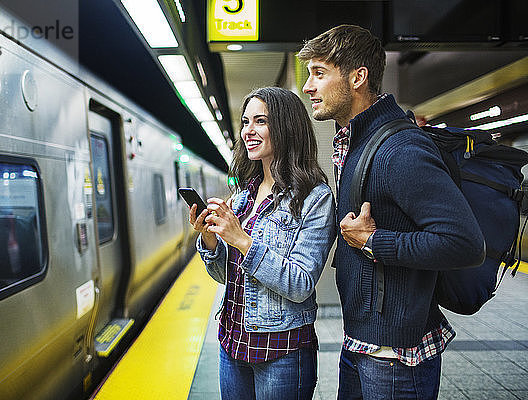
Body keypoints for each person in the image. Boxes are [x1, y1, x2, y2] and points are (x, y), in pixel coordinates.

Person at [297, 25, 485, 399]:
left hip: (396, 356)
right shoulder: (357, 142)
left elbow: (464, 243)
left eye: (319, 73)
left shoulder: (399, 149)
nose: (307, 87)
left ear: (357, 77)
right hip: (363, 343)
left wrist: (374, 241)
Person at [189, 87, 336, 400]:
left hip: (281, 352)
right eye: (245, 122)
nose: (248, 131)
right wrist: (210, 238)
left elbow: (300, 283)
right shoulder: (243, 196)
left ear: (285, 127)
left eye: (260, 121)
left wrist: (242, 240)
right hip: (232, 344)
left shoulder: (315, 198)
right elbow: (224, 276)